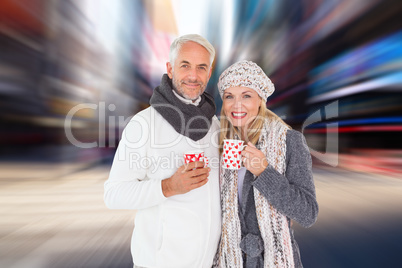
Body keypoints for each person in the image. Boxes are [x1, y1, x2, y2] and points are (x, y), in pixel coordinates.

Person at [104, 34, 221, 268]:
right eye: (185, 65)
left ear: (209, 73)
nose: (193, 76)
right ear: (170, 68)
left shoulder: (215, 124)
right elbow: (113, 194)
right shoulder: (143, 124)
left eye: (201, 67)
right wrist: (167, 187)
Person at [214, 60, 318, 268]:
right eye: (229, 96)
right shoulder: (221, 143)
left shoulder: (289, 141)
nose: (237, 105)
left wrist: (264, 172)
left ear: (260, 100)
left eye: (246, 95)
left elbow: (308, 214)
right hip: (229, 260)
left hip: (272, 260)